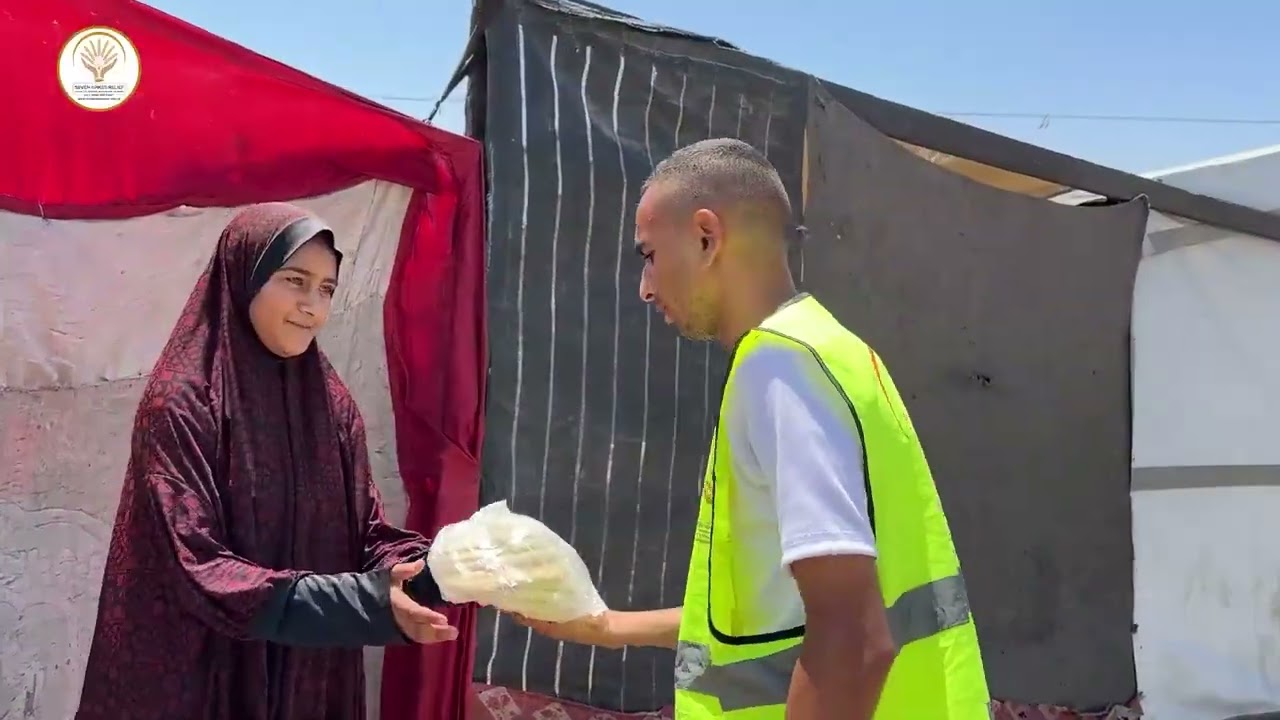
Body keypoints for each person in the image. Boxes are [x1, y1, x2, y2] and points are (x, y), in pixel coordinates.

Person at [518, 139, 990, 718]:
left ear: (705, 237)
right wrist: (609, 627)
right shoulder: (832, 349)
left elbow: (853, 639)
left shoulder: (778, 368)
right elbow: (773, 623)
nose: (645, 287)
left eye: (648, 255)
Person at [75, 203, 456, 720]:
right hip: (202, 671)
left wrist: (435, 571)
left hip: (304, 674)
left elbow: (362, 532)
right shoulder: (184, 403)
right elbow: (198, 566)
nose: (311, 306)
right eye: (295, 280)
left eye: (326, 289)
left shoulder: (331, 406)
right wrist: (361, 602)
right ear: (244, 276)